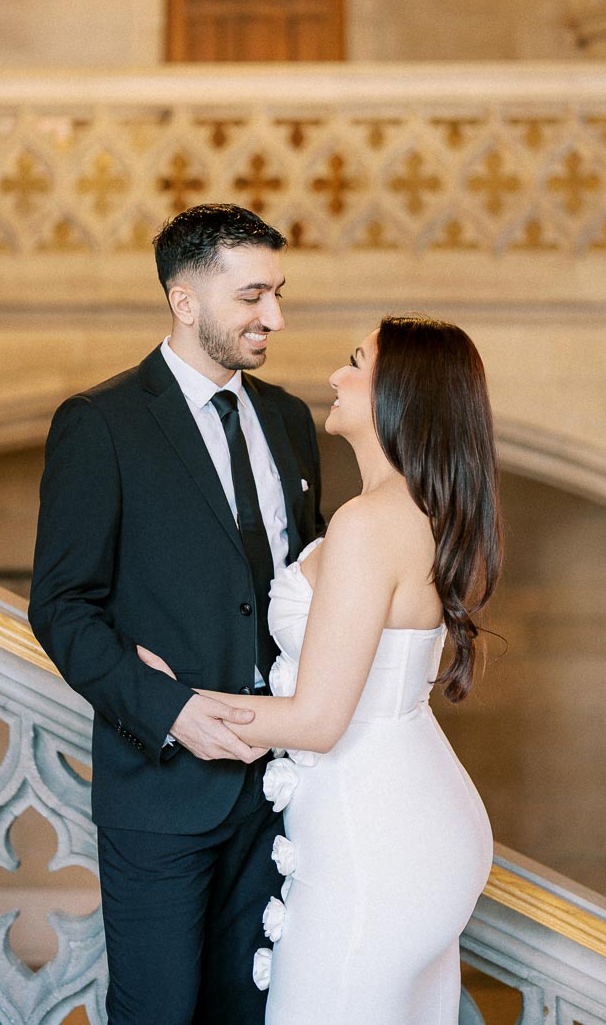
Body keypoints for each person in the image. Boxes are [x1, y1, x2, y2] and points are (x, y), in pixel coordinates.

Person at [141, 315, 502, 1024]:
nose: (335, 376)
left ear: (401, 394)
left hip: (377, 836)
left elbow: (316, 720)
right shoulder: (421, 510)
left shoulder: (371, 524)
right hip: (416, 812)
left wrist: (165, 697)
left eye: (356, 362)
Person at [28, 203, 324, 1025]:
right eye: (253, 296)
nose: (275, 316)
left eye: (279, 292)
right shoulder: (102, 425)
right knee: (157, 1012)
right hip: (162, 792)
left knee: (249, 1012)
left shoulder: (292, 422)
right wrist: (172, 712)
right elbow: (60, 605)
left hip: (282, 793)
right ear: (185, 302)